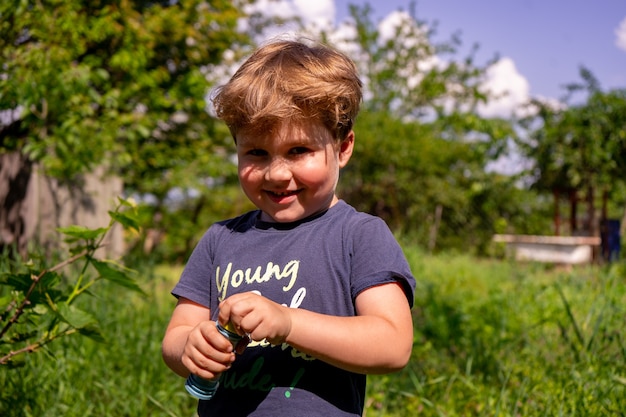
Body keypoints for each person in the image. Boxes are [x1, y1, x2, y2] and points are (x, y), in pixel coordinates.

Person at [161, 38, 416, 417]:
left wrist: (287, 322)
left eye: (299, 151)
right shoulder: (221, 239)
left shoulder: (359, 235)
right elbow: (176, 338)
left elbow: (393, 344)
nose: (277, 173)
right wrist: (191, 348)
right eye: (256, 153)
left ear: (343, 148)